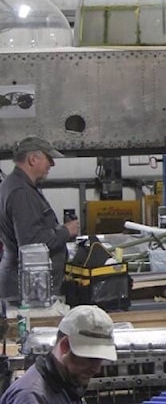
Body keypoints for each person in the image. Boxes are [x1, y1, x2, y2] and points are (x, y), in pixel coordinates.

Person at [0, 137, 79, 305]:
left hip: (28, 286)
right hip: (27, 291)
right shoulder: (21, 192)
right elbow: (31, 243)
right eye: (48, 158)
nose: (52, 164)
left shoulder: (18, 185)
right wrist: (65, 231)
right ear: (32, 159)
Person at [0, 304, 116, 404]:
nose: (96, 369)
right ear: (65, 346)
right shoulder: (30, 397)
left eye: (100, 359)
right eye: (90, 358)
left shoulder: (66, 384)